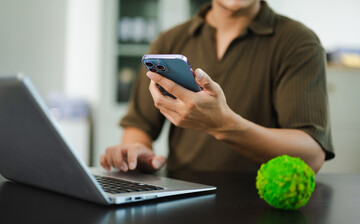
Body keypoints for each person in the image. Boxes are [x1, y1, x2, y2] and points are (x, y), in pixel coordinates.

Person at [100, 0, 335, 174]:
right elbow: (139, 125)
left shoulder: (299, 43)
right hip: (181, 200)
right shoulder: (170, 40)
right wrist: (137, 151)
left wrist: (224, 125)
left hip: (262, 205)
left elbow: (311, 155)